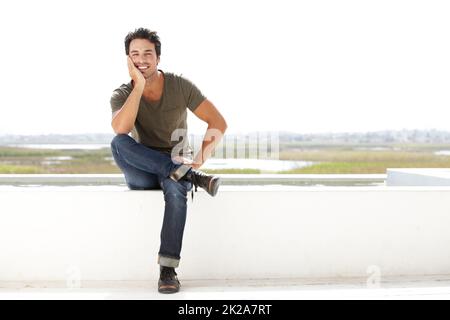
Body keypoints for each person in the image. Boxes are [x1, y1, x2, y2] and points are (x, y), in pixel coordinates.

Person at [109, 28, 227, 294]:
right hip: (142, 169)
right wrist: (138, 87)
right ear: (128, 60)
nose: (142, 60)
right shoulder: (121, 94)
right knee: (118, 143)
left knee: (175, 190)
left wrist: (198, 160)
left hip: (175, 164)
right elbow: (121, 129)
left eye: (147, 53)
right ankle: (190, 177)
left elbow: (218, 122)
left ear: (158, 58)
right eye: (135, 54)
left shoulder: (179, 86)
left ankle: (168, 269)